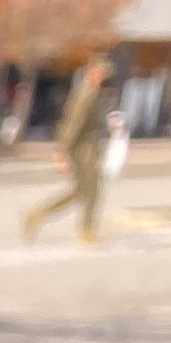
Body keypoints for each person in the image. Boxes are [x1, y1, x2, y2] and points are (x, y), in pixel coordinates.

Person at [24, 55, 114, 245]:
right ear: (91, 73)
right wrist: (62, 152)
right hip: (83, 151)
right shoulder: (85, 95)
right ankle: (85, 231)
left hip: (87, 149)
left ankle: (38, 214)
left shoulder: (92, 93)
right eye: (100, 72)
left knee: (82, 191)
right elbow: (73, 125)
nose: (103, 77)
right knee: (91, 190)